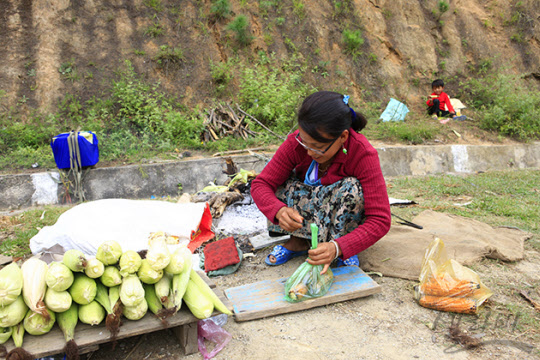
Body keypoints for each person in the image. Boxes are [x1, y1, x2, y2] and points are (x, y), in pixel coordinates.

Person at [250, 91, 391, 274]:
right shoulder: (296, 143)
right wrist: (278, 211)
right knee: (279, 182)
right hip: (308, 209)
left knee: (352, 189)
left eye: (317, 147)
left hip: (339, 224)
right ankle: (299, 241)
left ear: (343, 137)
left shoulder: (362, 154)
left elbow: (380, 219)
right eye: (305, 143)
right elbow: (261, 184)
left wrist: (339, 247)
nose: (309, 152)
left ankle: (340, 248)